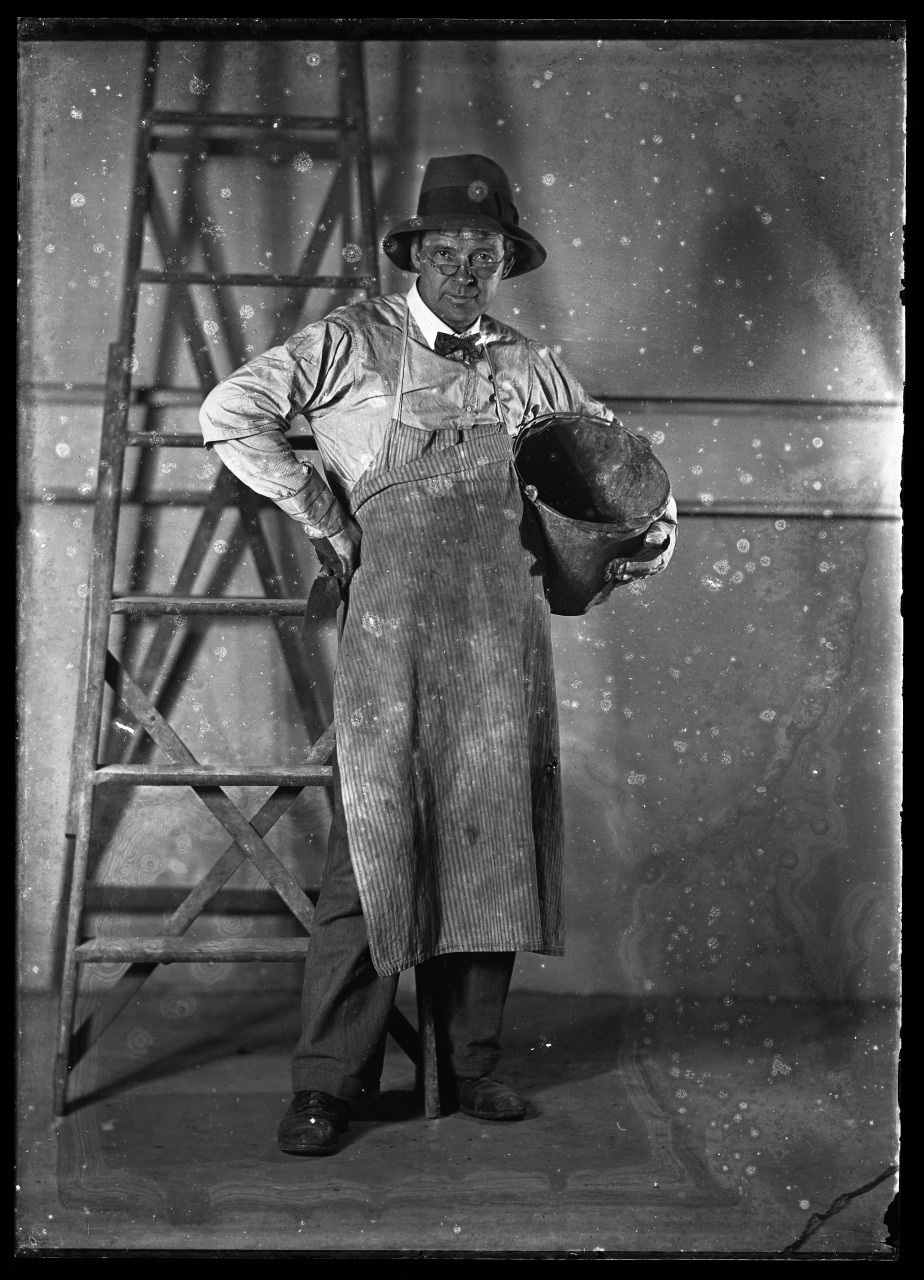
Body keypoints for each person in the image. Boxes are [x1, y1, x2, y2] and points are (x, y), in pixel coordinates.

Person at [199, 154, 677, 1156]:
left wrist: (635, 536)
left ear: (505, 260)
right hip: (390, 631)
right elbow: (229, 415)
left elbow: (606, 478)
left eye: (485, 252)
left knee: (487, 843)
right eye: (447, 248)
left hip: (500, 638)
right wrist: (326, 514)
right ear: (415, 253)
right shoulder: (347, 342)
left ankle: (475, 1063)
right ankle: (330, 1081)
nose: (466, 265)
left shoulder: (526, 365)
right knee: (370, 859)